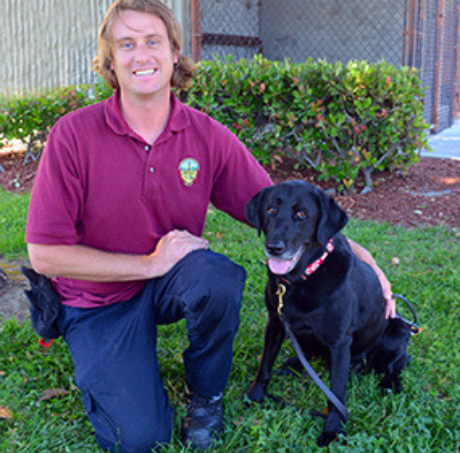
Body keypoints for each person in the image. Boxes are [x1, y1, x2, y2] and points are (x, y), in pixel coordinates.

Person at [25, 1, 395, 451]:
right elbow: (45, 254)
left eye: (153, 41)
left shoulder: (206, 136)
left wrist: (363, 258)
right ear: (109, 60)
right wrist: (150, 263)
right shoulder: (73, 135)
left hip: (169, 284)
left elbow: (277, 205)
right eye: (126, 44)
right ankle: (104, 357)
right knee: (139, 439)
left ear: (174, 54)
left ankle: (207, 396)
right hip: (97, 297)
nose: (141, 55)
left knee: (217, 276)